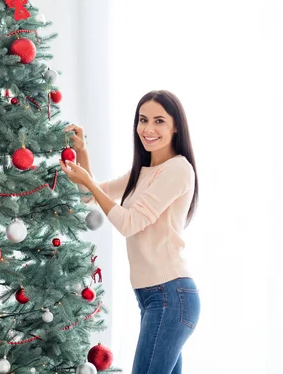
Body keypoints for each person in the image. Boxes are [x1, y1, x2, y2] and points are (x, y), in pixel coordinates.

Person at [60, 90, 200, 374]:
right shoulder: (144, 170)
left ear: (176, 127)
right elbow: (88, 195)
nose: (148, 129)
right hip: (153, 297)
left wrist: (88, 181)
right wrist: (83, 153)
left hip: (171, 295)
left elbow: (129, 223)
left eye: (159, 121)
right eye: (143, 120)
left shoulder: (178, 170)